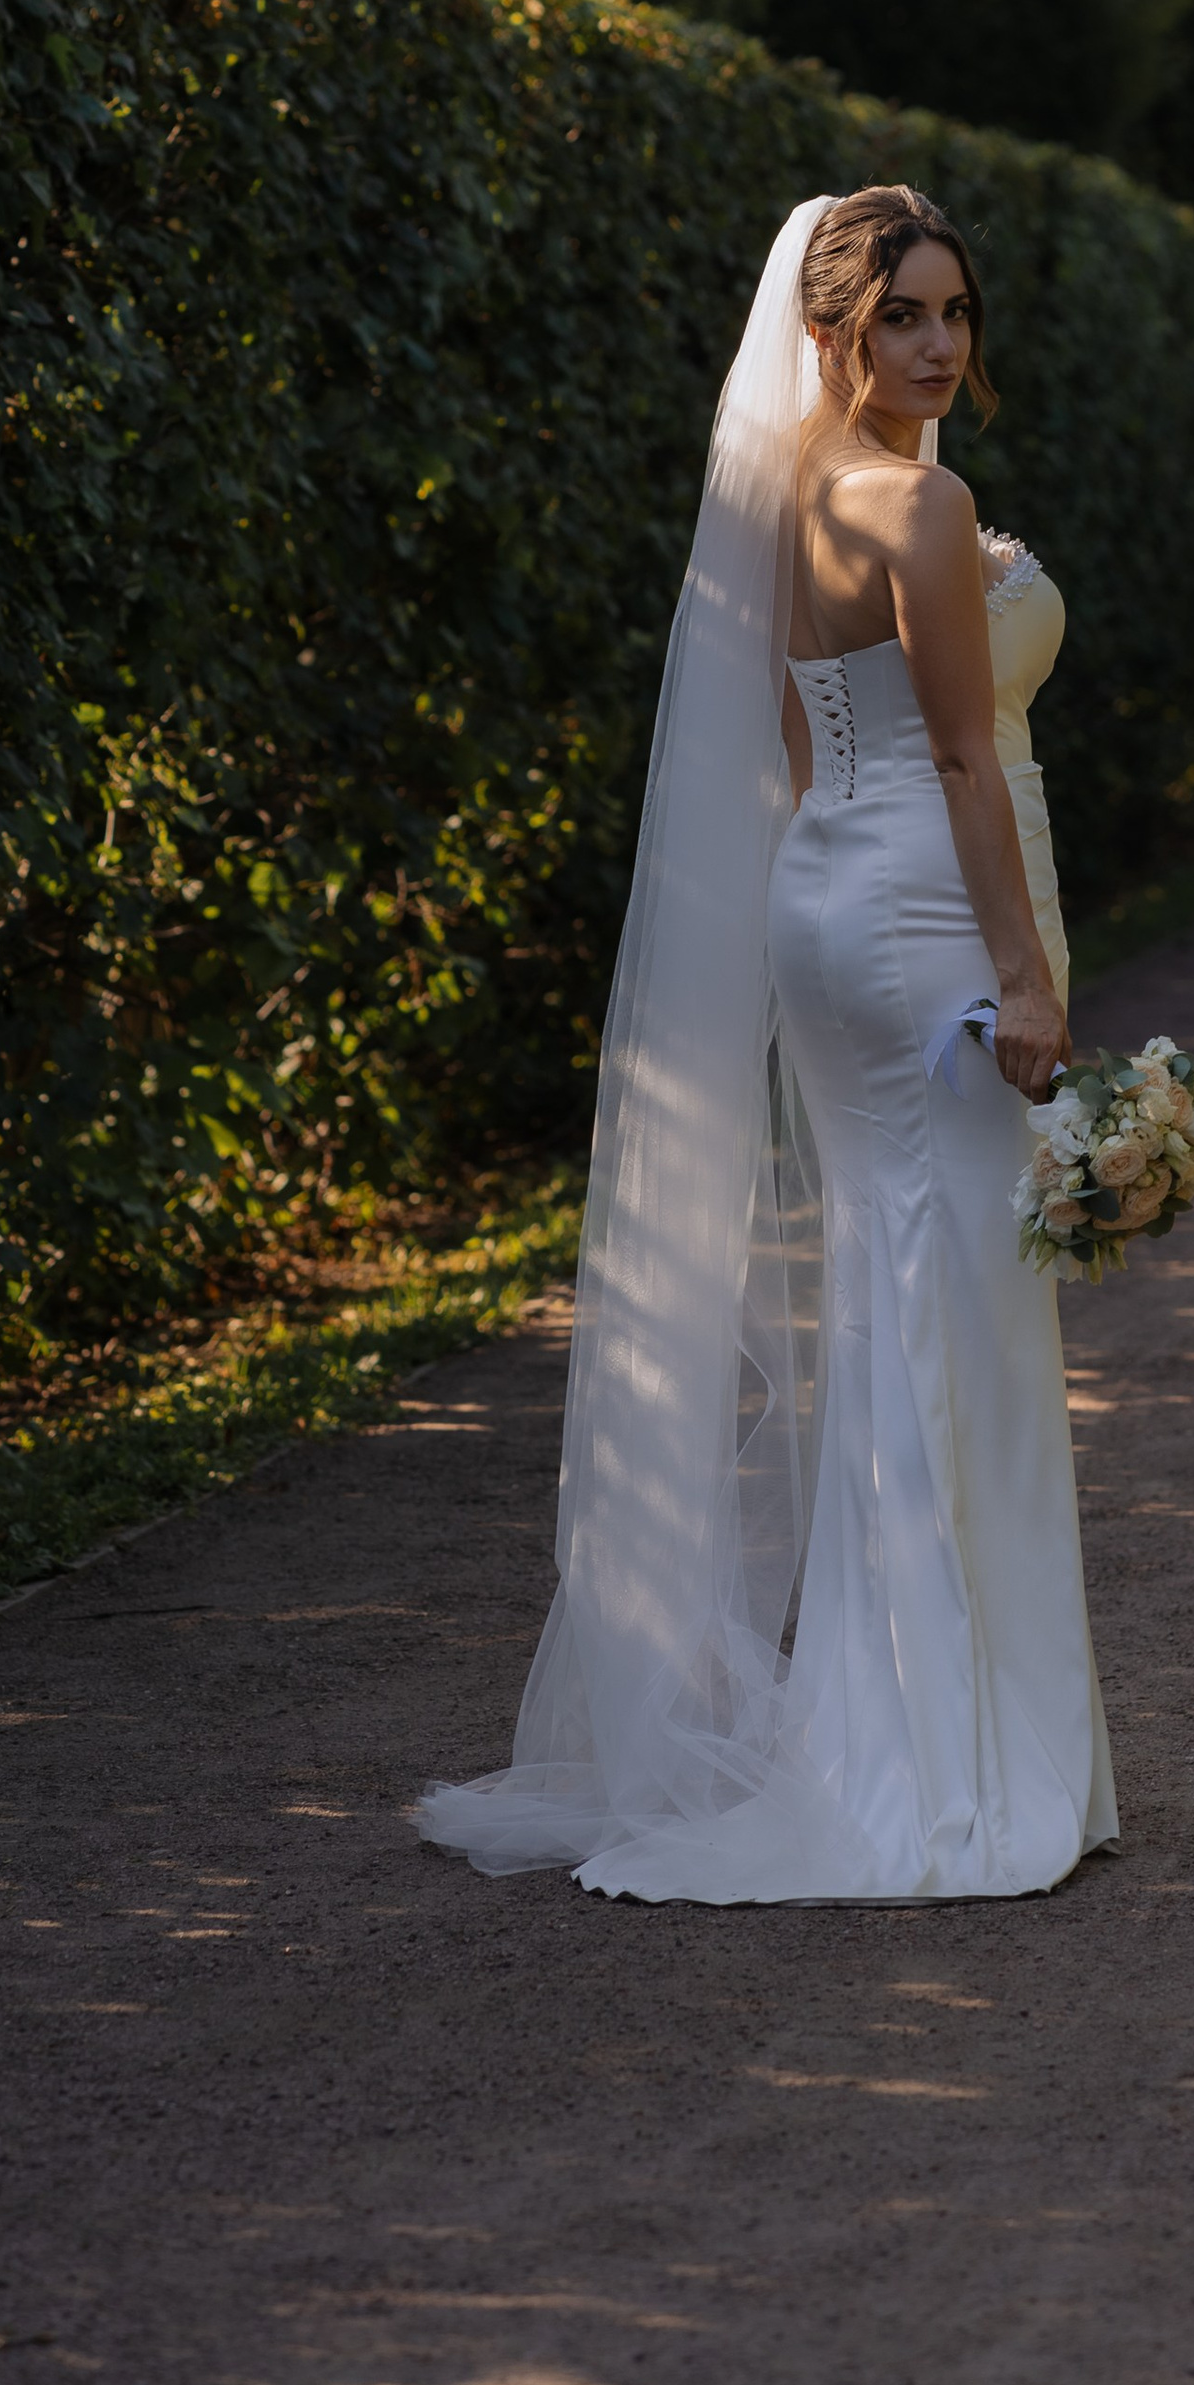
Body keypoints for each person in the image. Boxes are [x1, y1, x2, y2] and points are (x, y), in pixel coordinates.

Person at [414, 186, 1116, 1904]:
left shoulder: (779, 487)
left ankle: (896, 1733)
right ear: (834, 329)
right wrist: (1026, 986)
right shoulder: (920, 502)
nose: (939, 346)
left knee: (897, 1298)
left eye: (955, 314)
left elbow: (810, 746)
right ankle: (940, 1770)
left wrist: (850, 901)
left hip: (832, 899)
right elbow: (962, 761)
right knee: (956, 1311)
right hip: (925, 907)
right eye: (904, 318)